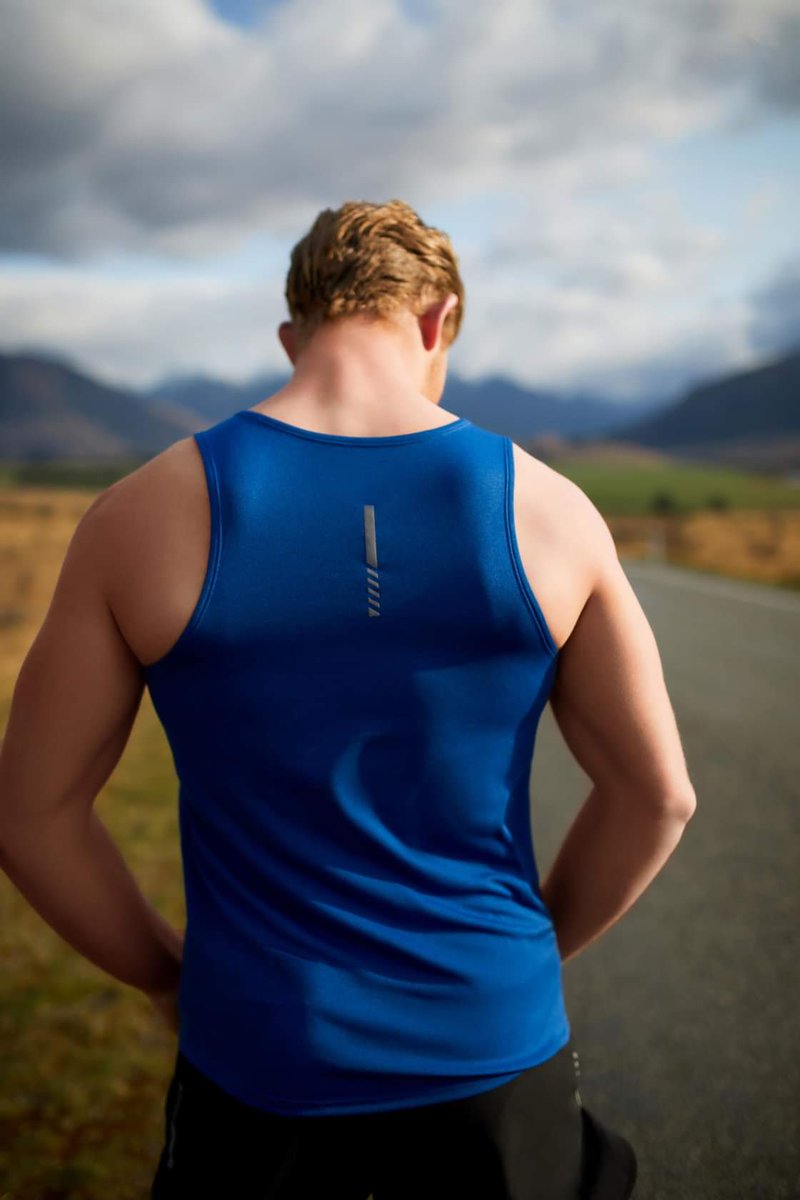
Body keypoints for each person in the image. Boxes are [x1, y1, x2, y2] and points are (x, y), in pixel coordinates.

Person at [0, 199, 696, 1198]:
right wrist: (521, 960)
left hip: (259, 1054)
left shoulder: (139, 514)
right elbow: (657, 796)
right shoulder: (551, 511)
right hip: (492, 1047)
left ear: (293, 335)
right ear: (438, 322)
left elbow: (29, 815)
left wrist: (166, 976)